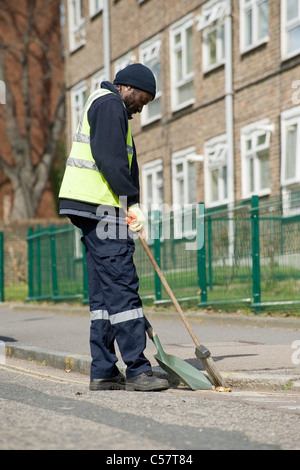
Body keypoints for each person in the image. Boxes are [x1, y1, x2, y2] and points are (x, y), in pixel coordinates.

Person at [58, 63, 169, 392]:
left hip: (92, 207)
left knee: (105, 294)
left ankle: (104, 369)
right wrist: (131, 202)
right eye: (142, 100)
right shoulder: (110, 105)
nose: (141, 108)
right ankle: (137, 369)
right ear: (129, 88)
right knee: (122, 286)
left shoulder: (104, 103)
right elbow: (110, 158)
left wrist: (129, 202)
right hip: (102, 208)